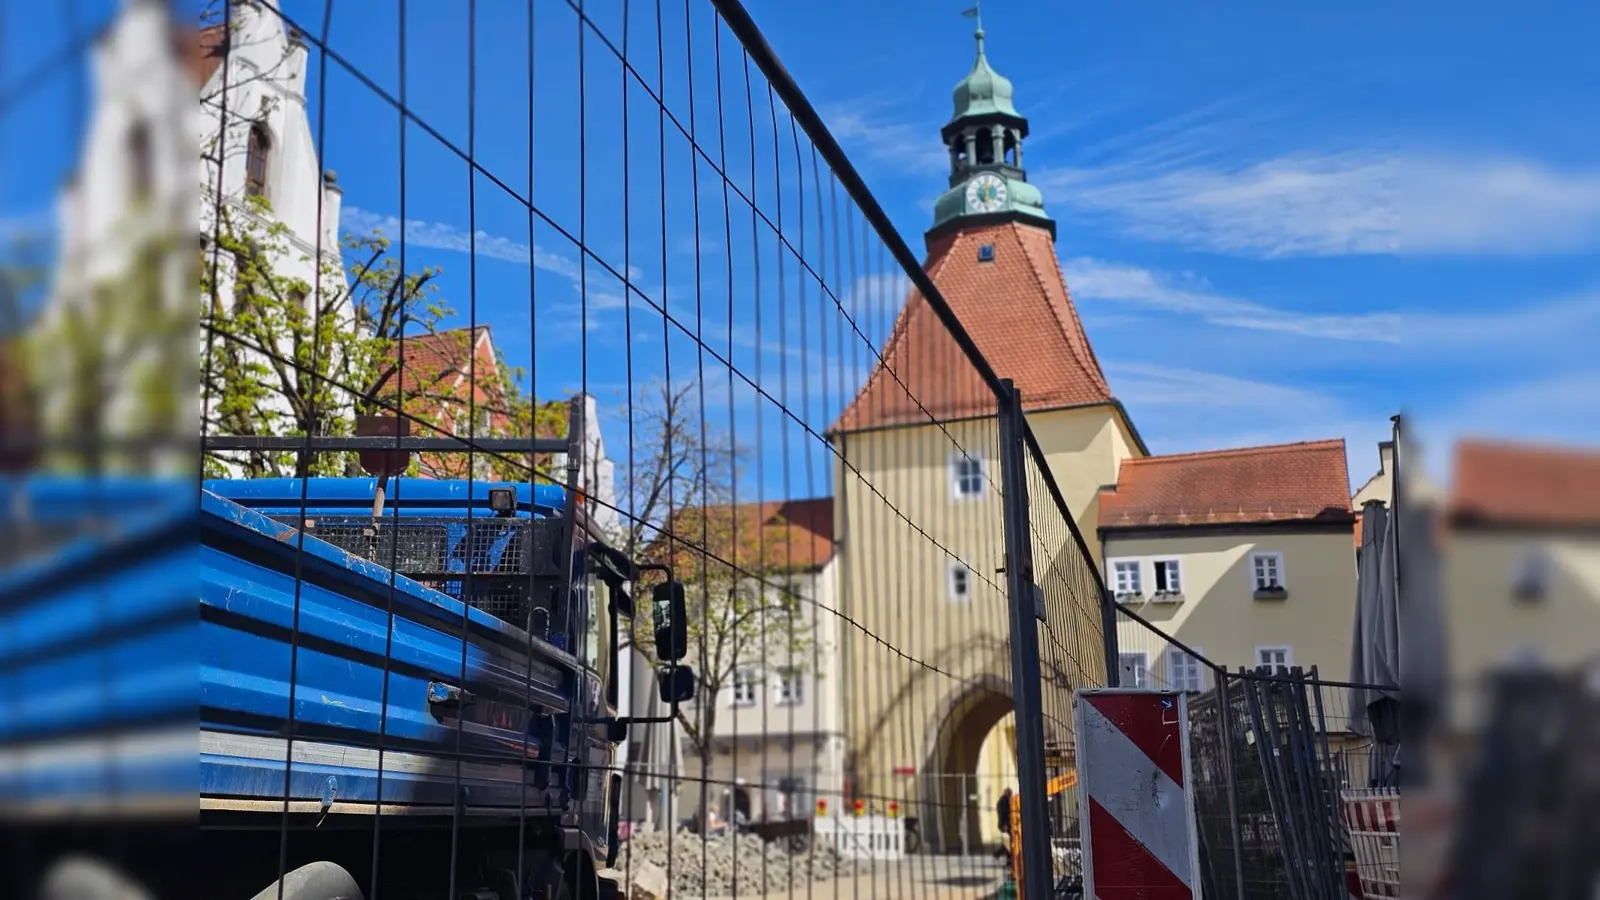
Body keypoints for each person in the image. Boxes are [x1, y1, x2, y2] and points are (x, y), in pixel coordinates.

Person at [995, 787, 1015, 859]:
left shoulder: (1000, 801)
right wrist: (1006, 824)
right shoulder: (1005, 801)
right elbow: (1005, 813)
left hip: (1002, 824)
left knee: (1008, 841)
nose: (1011, 795)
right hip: (1005, 824)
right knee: (1010, 841)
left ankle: (1003, 855)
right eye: (1010, 794)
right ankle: (1000, 854)